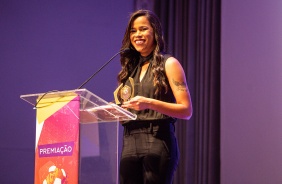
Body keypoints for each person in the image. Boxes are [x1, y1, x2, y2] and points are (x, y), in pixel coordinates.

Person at [114, 9, 192, 184]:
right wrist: (115, 111)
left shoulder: (169, 63)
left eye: (143, 29)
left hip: (157, 138)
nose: (137, 34)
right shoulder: (129, 70)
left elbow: (186, 110)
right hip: (129, 141)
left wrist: (149, 103)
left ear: (155, 32)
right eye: (133, 31)